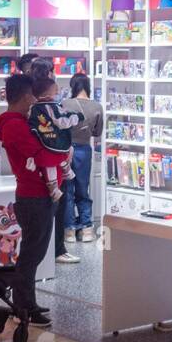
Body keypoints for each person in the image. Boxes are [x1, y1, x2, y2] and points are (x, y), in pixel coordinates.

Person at [0, 73, 65, 329]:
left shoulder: (21, 123)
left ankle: (28, 303)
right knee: (30, 255)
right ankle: (23, 308)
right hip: (34, 197)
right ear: (26, 97)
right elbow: (45, 156)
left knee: (33, 253)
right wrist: (60, 153)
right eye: (34, 97)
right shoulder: (15, 126)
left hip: (39, 195)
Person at [27, 75, 84, 264]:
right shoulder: (49, 107)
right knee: (52, 162)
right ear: (48, 92)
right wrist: (76, 117)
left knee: (64, 154)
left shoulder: (34, 108)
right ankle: (53, 187)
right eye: (55, 89)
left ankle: (64, 171)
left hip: (51, 143)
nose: (58, 92)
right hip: (50, 143)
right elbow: (61, 121)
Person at [61, 73, 102, 244]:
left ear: (73, 86)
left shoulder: (64, 104)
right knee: (83, 189)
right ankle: (86, 229)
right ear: (88, 86)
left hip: (66, 150)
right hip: (85, 150)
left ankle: (69, 230)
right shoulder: (97, 106)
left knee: (67, 190)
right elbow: (97, 132)